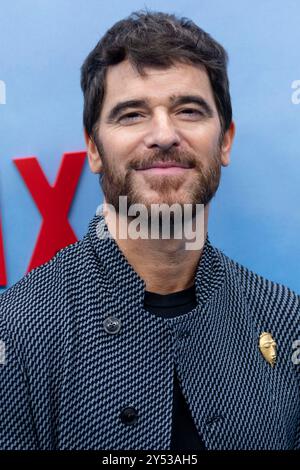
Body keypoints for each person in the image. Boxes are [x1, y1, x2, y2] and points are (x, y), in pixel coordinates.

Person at [0, 10, 299, 451]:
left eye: (189, 110)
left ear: (226, 141)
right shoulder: (19, 333)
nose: (163, 135)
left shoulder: (284, 317)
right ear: (94, 149)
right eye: (132, 114)